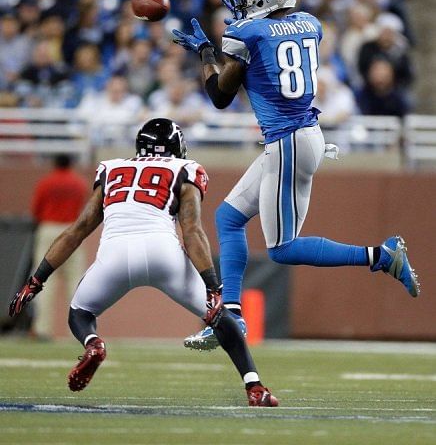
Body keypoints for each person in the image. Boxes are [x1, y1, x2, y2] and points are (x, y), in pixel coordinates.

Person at [172, 0, 420, 351]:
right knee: (228, 217)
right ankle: (231, 314)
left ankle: (380, 255)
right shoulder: (309, 23)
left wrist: (206, 51)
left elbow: (220, 96)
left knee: (282, 247)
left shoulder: (246, 33)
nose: (241, 4)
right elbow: (273, 45)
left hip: (289, 140)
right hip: (299, 136)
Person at [9, 118, 278, 407]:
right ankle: (254, 387)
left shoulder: (111, 168)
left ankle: (93, 344)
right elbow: (192, 230)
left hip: (114, 253)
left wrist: (36, 281)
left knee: (80, 313)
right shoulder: (185, 169)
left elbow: (78, 230)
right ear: (176, 148)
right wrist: (213, 286)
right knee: (219, 317)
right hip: (164, 252)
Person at [30, 154, 88, 340]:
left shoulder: (46, 182)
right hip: (72, 230)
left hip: (49, 228)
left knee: (43, 281)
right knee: (76, 282)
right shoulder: (79, 183)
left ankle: (42, 330)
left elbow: (36, 210)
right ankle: (78, 331)